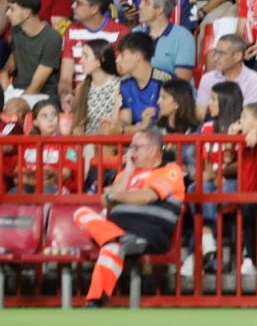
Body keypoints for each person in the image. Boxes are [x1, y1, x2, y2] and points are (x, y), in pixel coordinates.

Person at [70, 125, 184, 306]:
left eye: (135, 147)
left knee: (112, 246)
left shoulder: (170, 170)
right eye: (130, 147)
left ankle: (119, 239)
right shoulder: (126, 174)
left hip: (149, 234)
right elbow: (105, 201)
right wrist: (129, 171)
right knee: (81, 214)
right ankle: (95, 301)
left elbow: (147, 196)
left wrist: (115, 196)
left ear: (153, 149)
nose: (131, 152)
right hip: (121, 233)